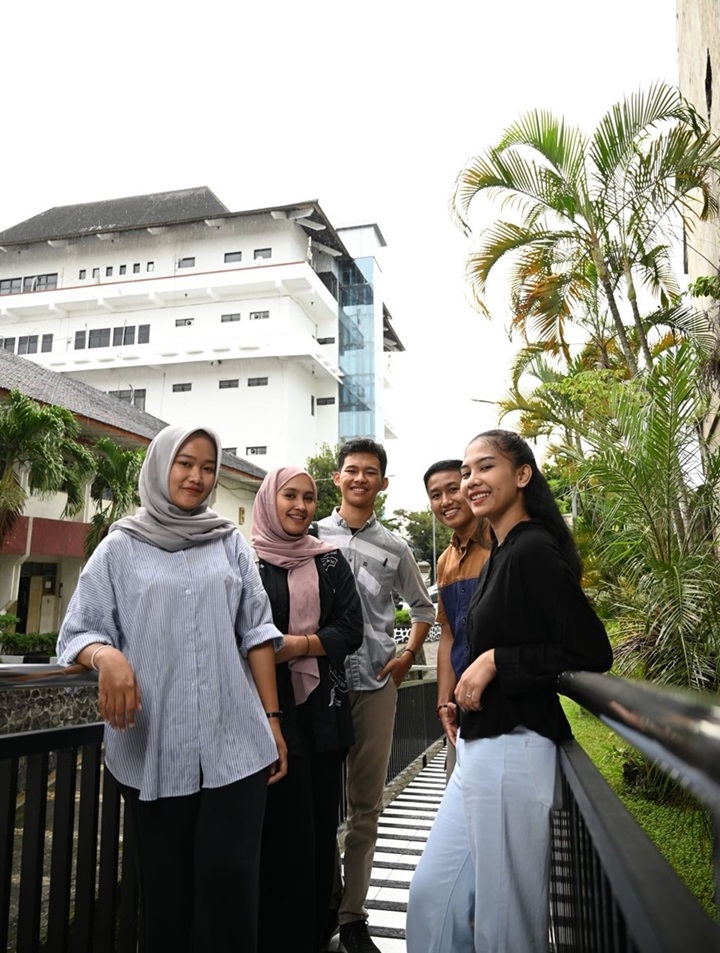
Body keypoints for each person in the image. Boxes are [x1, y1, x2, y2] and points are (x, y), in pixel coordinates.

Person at [56, 425, 288, 953]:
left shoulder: (229, 541)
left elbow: (257, 632)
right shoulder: (119, 547)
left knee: (231, 888)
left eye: (207, 467)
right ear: (162, 466)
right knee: (166, 897)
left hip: (236, 743)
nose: (197, 477)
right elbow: (78, 631)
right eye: (185, 463)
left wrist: (273, 721)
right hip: (157, 749)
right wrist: (107, 656)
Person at [406, 430, 613, 953]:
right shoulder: (504, 550)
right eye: (467, 471)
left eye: (486, 467)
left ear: (522, 475)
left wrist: (498, 660)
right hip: (480, 744)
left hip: (514, 749)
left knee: (506, 925)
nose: (472, 481)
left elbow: (590, 649)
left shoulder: (534, 548)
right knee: (433, 897)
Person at [318, 438, 436, 953]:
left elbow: (424, 608)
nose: (360, 478)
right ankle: (324, 899)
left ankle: (353, 914)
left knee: (365, 805)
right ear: (337, 478)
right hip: (317, 687)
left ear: (382, 483)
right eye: (352, 470)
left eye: (370, 472)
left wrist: (407, 656)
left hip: (374, 685)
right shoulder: (311, 535)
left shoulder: (396, 547)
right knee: (319, 802)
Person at [252, 466, 363, 953]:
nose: (300, 506)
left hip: (324, 715)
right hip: (263, 714)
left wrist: (297, 645)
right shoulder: (246, 561)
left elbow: (352, 629)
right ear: (268, 501)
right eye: (289, 496)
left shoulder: (330, 561)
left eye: (309, 498)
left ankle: (314, 934)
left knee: (317, 833)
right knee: (273, 832)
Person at [424, 459, 490, 778]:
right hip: (461, 706)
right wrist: (442, 703)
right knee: (457, 788)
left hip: (502, 696)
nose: (446, 501)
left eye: (453, 489)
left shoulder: (499, 543)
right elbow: (449, 634)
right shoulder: (444, 561)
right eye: (435, 495)